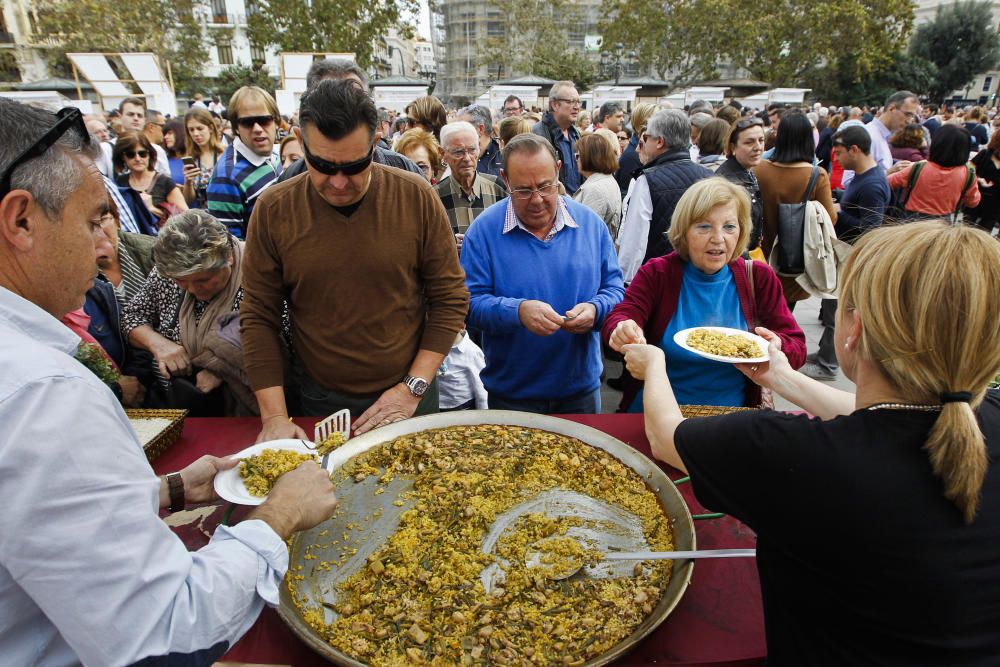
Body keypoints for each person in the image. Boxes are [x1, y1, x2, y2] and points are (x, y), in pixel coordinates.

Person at [0, 97, 338, 666]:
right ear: (21, 220)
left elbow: (34, 525)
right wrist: (276, 516)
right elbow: (163, 635)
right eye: (91, 223)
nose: (106, 247)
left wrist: (168, 491)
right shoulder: (42, 396)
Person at [621, 219, 1000, 666]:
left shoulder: (794, 454)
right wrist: (784, 378)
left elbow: (666, 437)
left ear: (853, 331)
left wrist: (656, 364)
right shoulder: (981, 413)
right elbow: (883, 413)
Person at [240, 80, 468, 440]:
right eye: (322, 165)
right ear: (300, 141)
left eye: (355, 166)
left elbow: (450, 299)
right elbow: (258, 317)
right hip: (322, 399)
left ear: (376, 142)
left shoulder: (415, 197)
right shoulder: (273, 209)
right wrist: (274, 419)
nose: (339, 183)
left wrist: (412, 389)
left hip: (411, 392)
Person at [604, 178, 805, 411]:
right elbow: (622, 315)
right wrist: (623, 328)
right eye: (703, 226)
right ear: (684, 231)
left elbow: (797, 347)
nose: (718, 238)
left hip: (732, 418)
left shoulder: (758, 277)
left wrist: (777, 346)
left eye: (729, 226)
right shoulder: (658, 273)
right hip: (658, 412)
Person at [461, 133, 624, 414]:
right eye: (523, 190)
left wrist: (596, 310)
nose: (537, 200)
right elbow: (469, 305)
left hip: (580, 392)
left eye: (546, 187)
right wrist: (518, 312)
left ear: (559, 170)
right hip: (511, 395)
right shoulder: (484, 231)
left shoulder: (590, 225)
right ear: (505, 179)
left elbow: (616, 290)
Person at [123, 210, 268, 416]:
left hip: (248, 409)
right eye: (181, 281)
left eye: (203, 280)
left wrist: (222, 369)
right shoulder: (168, 271)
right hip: (181, 404)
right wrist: (158, 344)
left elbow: (282, 346)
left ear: (229, 257)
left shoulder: (260, 273)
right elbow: (132, 316)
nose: (191, 289)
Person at [803, 125, 891, 382]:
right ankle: (824, 354)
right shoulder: (865, 178)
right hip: (845, 255)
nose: (837, 159)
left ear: (855, 150)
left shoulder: (873, 184)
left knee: (838, 311)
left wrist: (840, 214)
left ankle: (828, 363)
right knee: (833, 308)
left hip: (852, 257)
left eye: (839, 153)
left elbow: (870, 227)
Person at [277, 58, 423, 181]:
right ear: (301, 139)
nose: (339, 183)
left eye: (355, 96)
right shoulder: (283, 192)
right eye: (328, 96)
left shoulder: (407, 176)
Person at [617, 109, 713, 283]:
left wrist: (625, 283)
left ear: (659, 141)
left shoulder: (647, 180)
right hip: (700, 277)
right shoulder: (709, 176)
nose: (643, 143)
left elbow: (634, 244)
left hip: (658, 280)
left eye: (646, 138)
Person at [755, 110, 837, 306]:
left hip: (760, 254)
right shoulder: (817, 176)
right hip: (793, 260)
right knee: (783, 314)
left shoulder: (759, 169)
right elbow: (830, 219)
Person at [206, 86, 282, 239]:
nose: (257, 129)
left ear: (276, 122)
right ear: (236, 127)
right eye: (247, 123)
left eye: (264, 120)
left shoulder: (274, 154)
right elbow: (231, 248)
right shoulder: (226, 178)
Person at [433, 121, 507, 249]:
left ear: (479, 148)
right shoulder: (434, 197)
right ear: (443, 154)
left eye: (472, 150)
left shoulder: (498, 188)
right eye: (458, 152)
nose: (467, 158)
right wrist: (446, 245)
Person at [887, 124, 980, 221]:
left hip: (912, 219)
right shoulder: (968, 175)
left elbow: (888, 182)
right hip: (942, 222)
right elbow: (973, 202)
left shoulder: (918, 167)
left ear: (936, 144)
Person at [842, 90, 918, 187]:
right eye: (908, 114)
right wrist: (889, 172)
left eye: (912, 116)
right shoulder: (868, 135)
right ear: (892, 109)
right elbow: (849, 181)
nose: (910, 121)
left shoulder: (882, 136)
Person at [113, 132, 188, 226]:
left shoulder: (165, 182)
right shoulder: (119, 183)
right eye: (130, 154)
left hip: (159, 239)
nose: (137, 158)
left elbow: (186, 218)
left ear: (149, 155)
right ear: (122, 157)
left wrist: (151, 209)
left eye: (142, 153)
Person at [716, 117, 766, 256]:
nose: (758, 147)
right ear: (733, 147)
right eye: (749, 142)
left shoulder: (746, 171)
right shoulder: (729, 183)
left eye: (761, 140)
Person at [97, 193, 156, 306]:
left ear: (116, 220)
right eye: (90, 225)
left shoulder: (151, 249)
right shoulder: (79, 273)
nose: (98, 231)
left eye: (102, 220)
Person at [533, 80, 583, 195]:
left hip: (575, 205)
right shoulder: (538, 135)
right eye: (571, 102)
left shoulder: (576, 134)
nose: (577, 107)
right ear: (554, 104)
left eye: (578, 102)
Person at [573, 132, 623, 238]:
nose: (576, 160)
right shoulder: (606, 180)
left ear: (589, 157)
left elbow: (586, 233)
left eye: (578, 156)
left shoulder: (594, 189)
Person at [182, 107, 227, 208]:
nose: (196, 134)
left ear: (210, 128)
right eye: (191, 130)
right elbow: (188, 201)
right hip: (205, 217)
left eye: (200, 128)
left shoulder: (226, 153)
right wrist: (188, 182)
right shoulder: (192, 159)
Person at [616, 103, 659, 196]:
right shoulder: (633, 155)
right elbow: (627, 195)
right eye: (657, 119)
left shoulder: (648, 148)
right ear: (644, 123)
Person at [966, 129, 1000, 233]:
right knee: (966, 229)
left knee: (985, 233)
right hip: (976, 198)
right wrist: (978, 179)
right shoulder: (985, 154)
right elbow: (968, 170)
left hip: (996, 204)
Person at [457, 104, 503, 178]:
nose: (457, 133)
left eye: (463, 127)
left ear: (480, 129)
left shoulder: (503, 156)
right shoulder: (456, 155)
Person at [162, 118, 187, 184]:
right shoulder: (164, 160)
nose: (165, 137)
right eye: (165, 134)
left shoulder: (194, 159)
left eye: (170, 133)